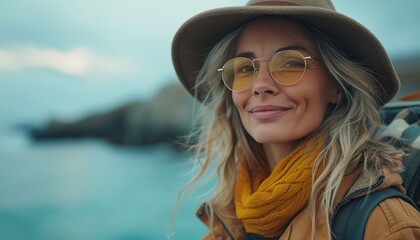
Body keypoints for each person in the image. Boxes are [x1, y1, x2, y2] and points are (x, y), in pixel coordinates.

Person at [171, 0, 420, 239]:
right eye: (245, 68)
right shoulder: (235, 211)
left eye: (290, 63)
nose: (260, 86)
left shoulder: (385, 224)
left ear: (335, 85)